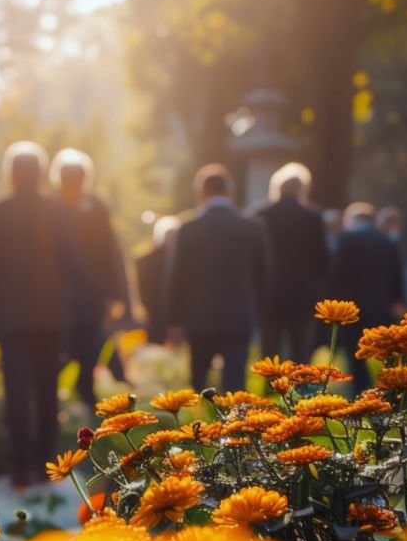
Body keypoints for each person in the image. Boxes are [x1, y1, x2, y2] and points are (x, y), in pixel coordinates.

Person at [0, 142, 75, 485]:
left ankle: (20, 468)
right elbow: (70, 266)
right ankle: (46, 466)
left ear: (11, 175)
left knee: (16, 394)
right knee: (47, 392)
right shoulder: (58, 212)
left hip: (10, 319)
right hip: (49, 317)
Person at [166, 164, 271, 392]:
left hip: (199, 316)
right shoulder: (252, 227)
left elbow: (178, 278)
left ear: (201, 192)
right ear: (229, 191)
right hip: (239, 315)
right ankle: (232, 416)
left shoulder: (189, 229)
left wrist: (175, 320)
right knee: (235, 383)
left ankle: (200, 414)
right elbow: (263, 276)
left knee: (199, 381)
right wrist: (257, 311)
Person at [49, 148, 130, 410]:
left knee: (89, 346)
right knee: (61, 349)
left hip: (91, 295)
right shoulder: (50, 207)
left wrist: (113, 295)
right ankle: (56, 399)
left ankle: (84, 392)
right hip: (59, 296)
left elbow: (109, 252)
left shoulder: (97, 207)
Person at [253, 163, 329, 362]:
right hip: (302, 295)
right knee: (300, 352)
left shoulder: (262, 215)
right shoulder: (313, 217)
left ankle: (270, 381)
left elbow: (254, 258)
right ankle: (299, 382)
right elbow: (323, 260)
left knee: (269, 351)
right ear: (302, 189)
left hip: (269, 294)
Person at [328, 201, 405, 389]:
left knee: (356, 353)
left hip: (352, 308)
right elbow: (397, 272)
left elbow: (336, 274)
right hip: (382, 307)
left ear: (351, 219)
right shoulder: (386, 239)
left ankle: (361, 392)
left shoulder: (346, 238)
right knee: (383, 353)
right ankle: (388, 392)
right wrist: (397, 300)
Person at [135, 215, 180, 344]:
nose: (172, 239)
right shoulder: (148, 260)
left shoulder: (184, 259)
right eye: (169, 235)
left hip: (176, 314)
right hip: (155, 310)